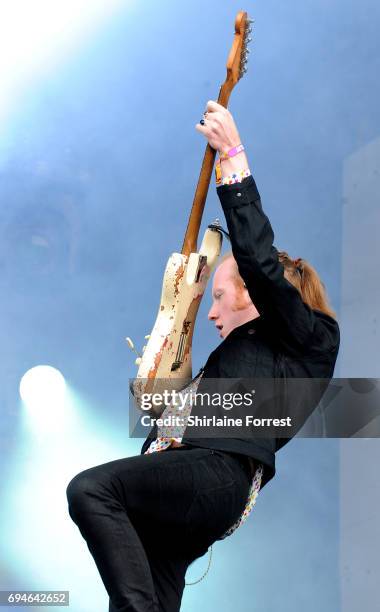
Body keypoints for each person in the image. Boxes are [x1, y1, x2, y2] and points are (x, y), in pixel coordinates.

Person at [66, 100, 340, 612]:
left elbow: (258, 261)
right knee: (152, 582)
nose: (212, 313)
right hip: (192, 482)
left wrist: (232, 159)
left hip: (215, 474)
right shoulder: (236, 362)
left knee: (92, 490)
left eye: (218, 296)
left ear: (256, 295)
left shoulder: (310, 338)